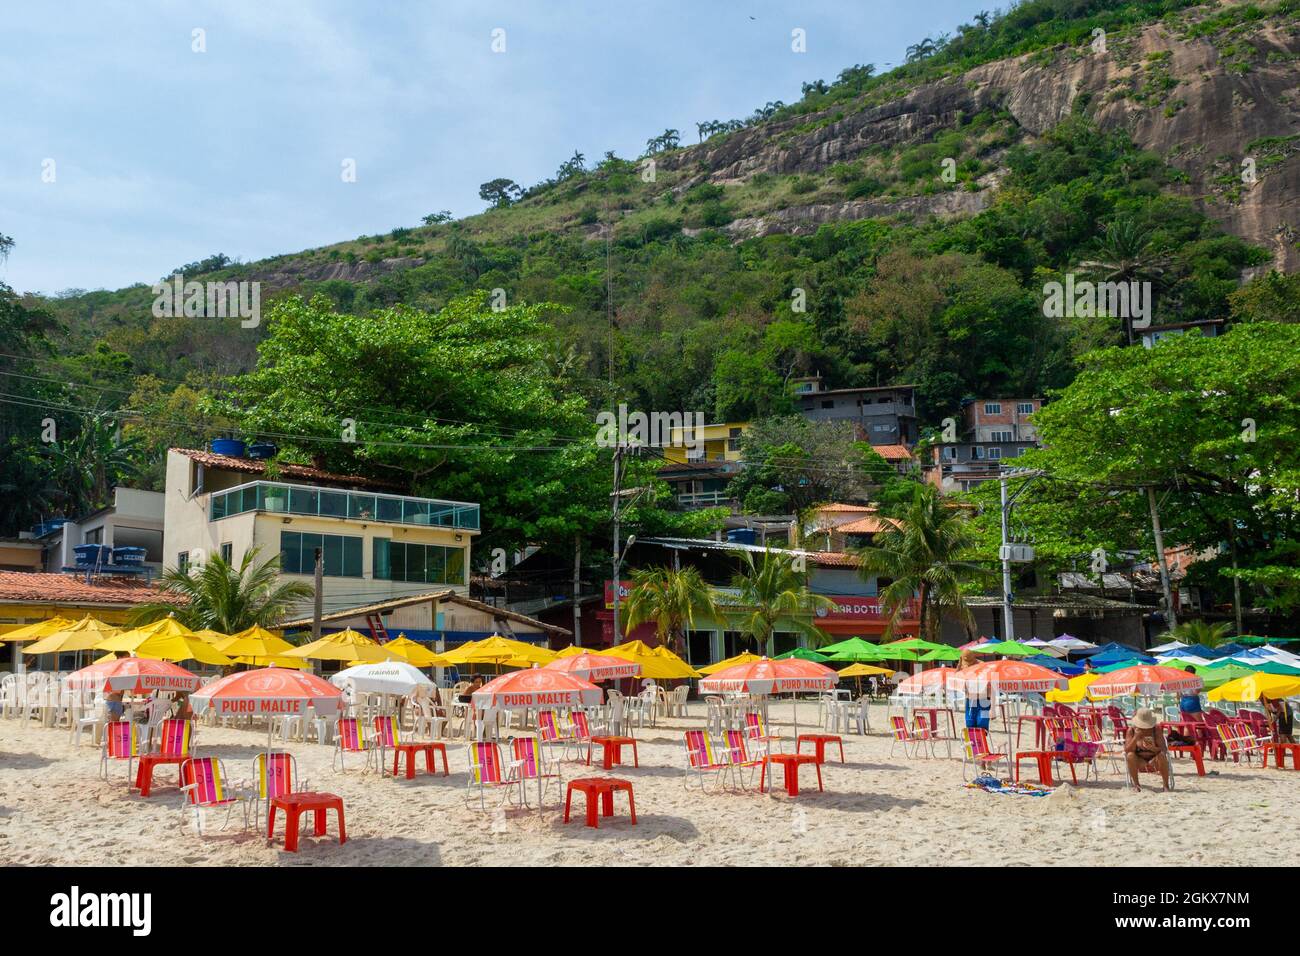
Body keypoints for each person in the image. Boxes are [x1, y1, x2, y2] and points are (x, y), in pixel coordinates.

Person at [1124, 707, 1170, 792]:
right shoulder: (1131, 731)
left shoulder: (1155, 730)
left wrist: (1153, 748)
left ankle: (1166, 785)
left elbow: (1164, 749)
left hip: (1154, 760)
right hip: (1139, 761)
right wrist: (1135, 738)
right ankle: (1136, 785)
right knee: (1130, 755)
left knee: (1162, 755)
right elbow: (1127, 750)